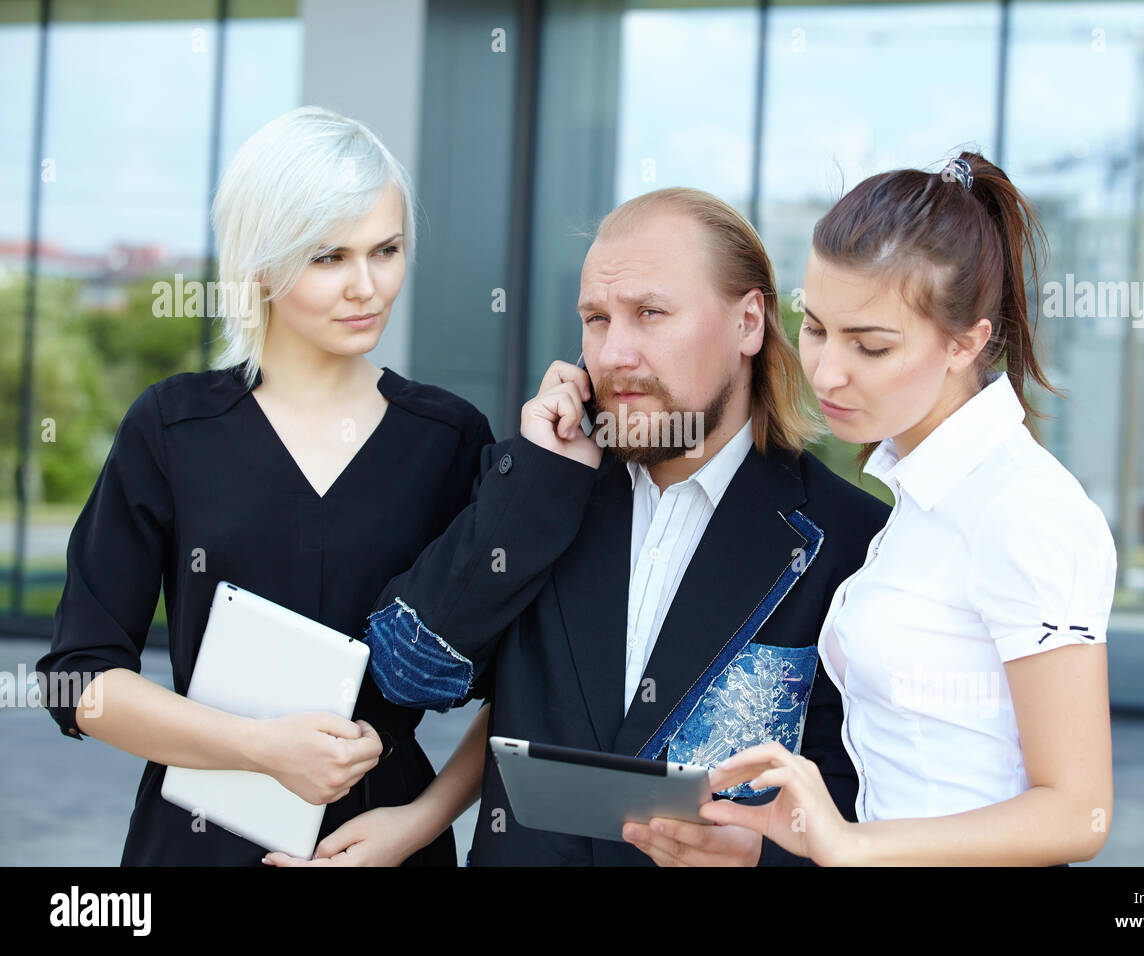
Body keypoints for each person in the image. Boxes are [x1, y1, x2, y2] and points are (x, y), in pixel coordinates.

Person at [344, 187, 892, 867]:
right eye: (596, 320)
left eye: (650, 314)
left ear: (749, 322)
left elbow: (869, 796)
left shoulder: (856, 541)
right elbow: (408, 674)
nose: (614, 354)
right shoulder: (540, 492)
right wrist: (539, 488)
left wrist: (763, 854)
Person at [34, 106, 492, 866]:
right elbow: (76, 680)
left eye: (387, 249)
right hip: (198, 840)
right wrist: (258, 746)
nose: (367, 286)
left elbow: (525, 680)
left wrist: (414, 825)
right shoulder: (172, 427)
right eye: (327, 258)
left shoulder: (450, 440)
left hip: (381, 845)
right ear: (260, 263)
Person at [700, 152, 1118, 866]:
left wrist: (852, 846)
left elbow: (1079, 812)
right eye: (818, 327)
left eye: (870, 345)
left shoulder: (1025, 510)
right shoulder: (922, 496)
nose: (827, 371)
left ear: (967, 342)